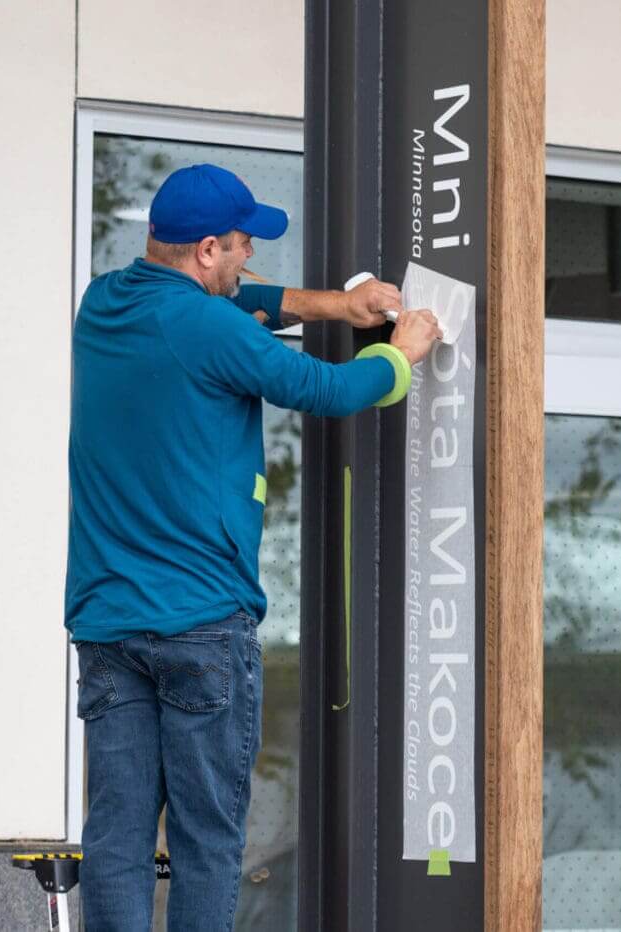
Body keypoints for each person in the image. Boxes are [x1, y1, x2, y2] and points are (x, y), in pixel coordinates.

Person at [66, 163, 440, 931]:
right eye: (239, 246)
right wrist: (402, 352)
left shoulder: (102, 304)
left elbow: (243, 304)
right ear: (207, 249)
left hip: (106, 627)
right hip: (200, 626)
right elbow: (329, 391)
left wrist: (336, 303)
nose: (246, 260)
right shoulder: (211, 329)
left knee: (117, 839)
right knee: (206, 844)